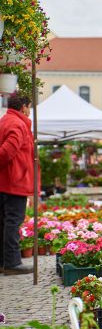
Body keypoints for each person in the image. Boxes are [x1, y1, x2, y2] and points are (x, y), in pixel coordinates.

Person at [0, 94, 35, 275]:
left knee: (4, 223)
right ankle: (12, 263)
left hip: (5, 182)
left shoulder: (4, 120)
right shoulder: (18, 124)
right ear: (23, 107)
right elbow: (6, 151)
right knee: (13, 222)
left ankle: (3, 262)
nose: (30, 111)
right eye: (29, 107)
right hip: (14, 182)